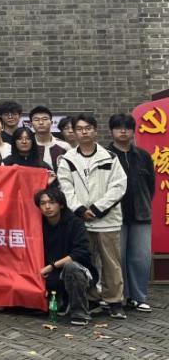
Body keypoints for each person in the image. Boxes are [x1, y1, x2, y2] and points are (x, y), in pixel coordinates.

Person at [57, 114, 128, 319]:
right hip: (81, 222)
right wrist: (80, 210)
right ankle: (91, 298)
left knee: (111, 263)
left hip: (107, 220)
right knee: (85, 261)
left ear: (95, 130)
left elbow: (119, 186)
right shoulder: (68, 159)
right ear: (74, 132)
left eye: (88, 128)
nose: (84, 132)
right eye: (79, 129)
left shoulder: (110, 157)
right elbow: (65, 186)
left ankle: (114, 301)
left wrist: (97, 209)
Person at [108, 114, 155, 313]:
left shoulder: (143, 156)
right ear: (111, 131)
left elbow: (151, 186)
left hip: (141, 214)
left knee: (141, 257)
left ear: (133, 131)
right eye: (118, 127)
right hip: (113, 215)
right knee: (117, 258)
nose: (123, 131)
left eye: (127, 127)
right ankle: (120, 296)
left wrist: (144, 202)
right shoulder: (105, 156)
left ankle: (138, 297)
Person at [37, 187, 97, 326]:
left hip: (77, 271)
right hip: (48, 273)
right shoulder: (37, 224)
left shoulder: (75, 222)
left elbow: (80, 252)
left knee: (72, 267)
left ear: (61, 205)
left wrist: (52, 266)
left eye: (52, 202)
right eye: (43, 203)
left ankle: (80, 313)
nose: (47, 207)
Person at [30, 106, 69, 170]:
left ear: (51, 123)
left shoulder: (64, 146)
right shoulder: (27, 145)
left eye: (45, 119)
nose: (41, 123)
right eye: (36, 120)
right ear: (31, 124)